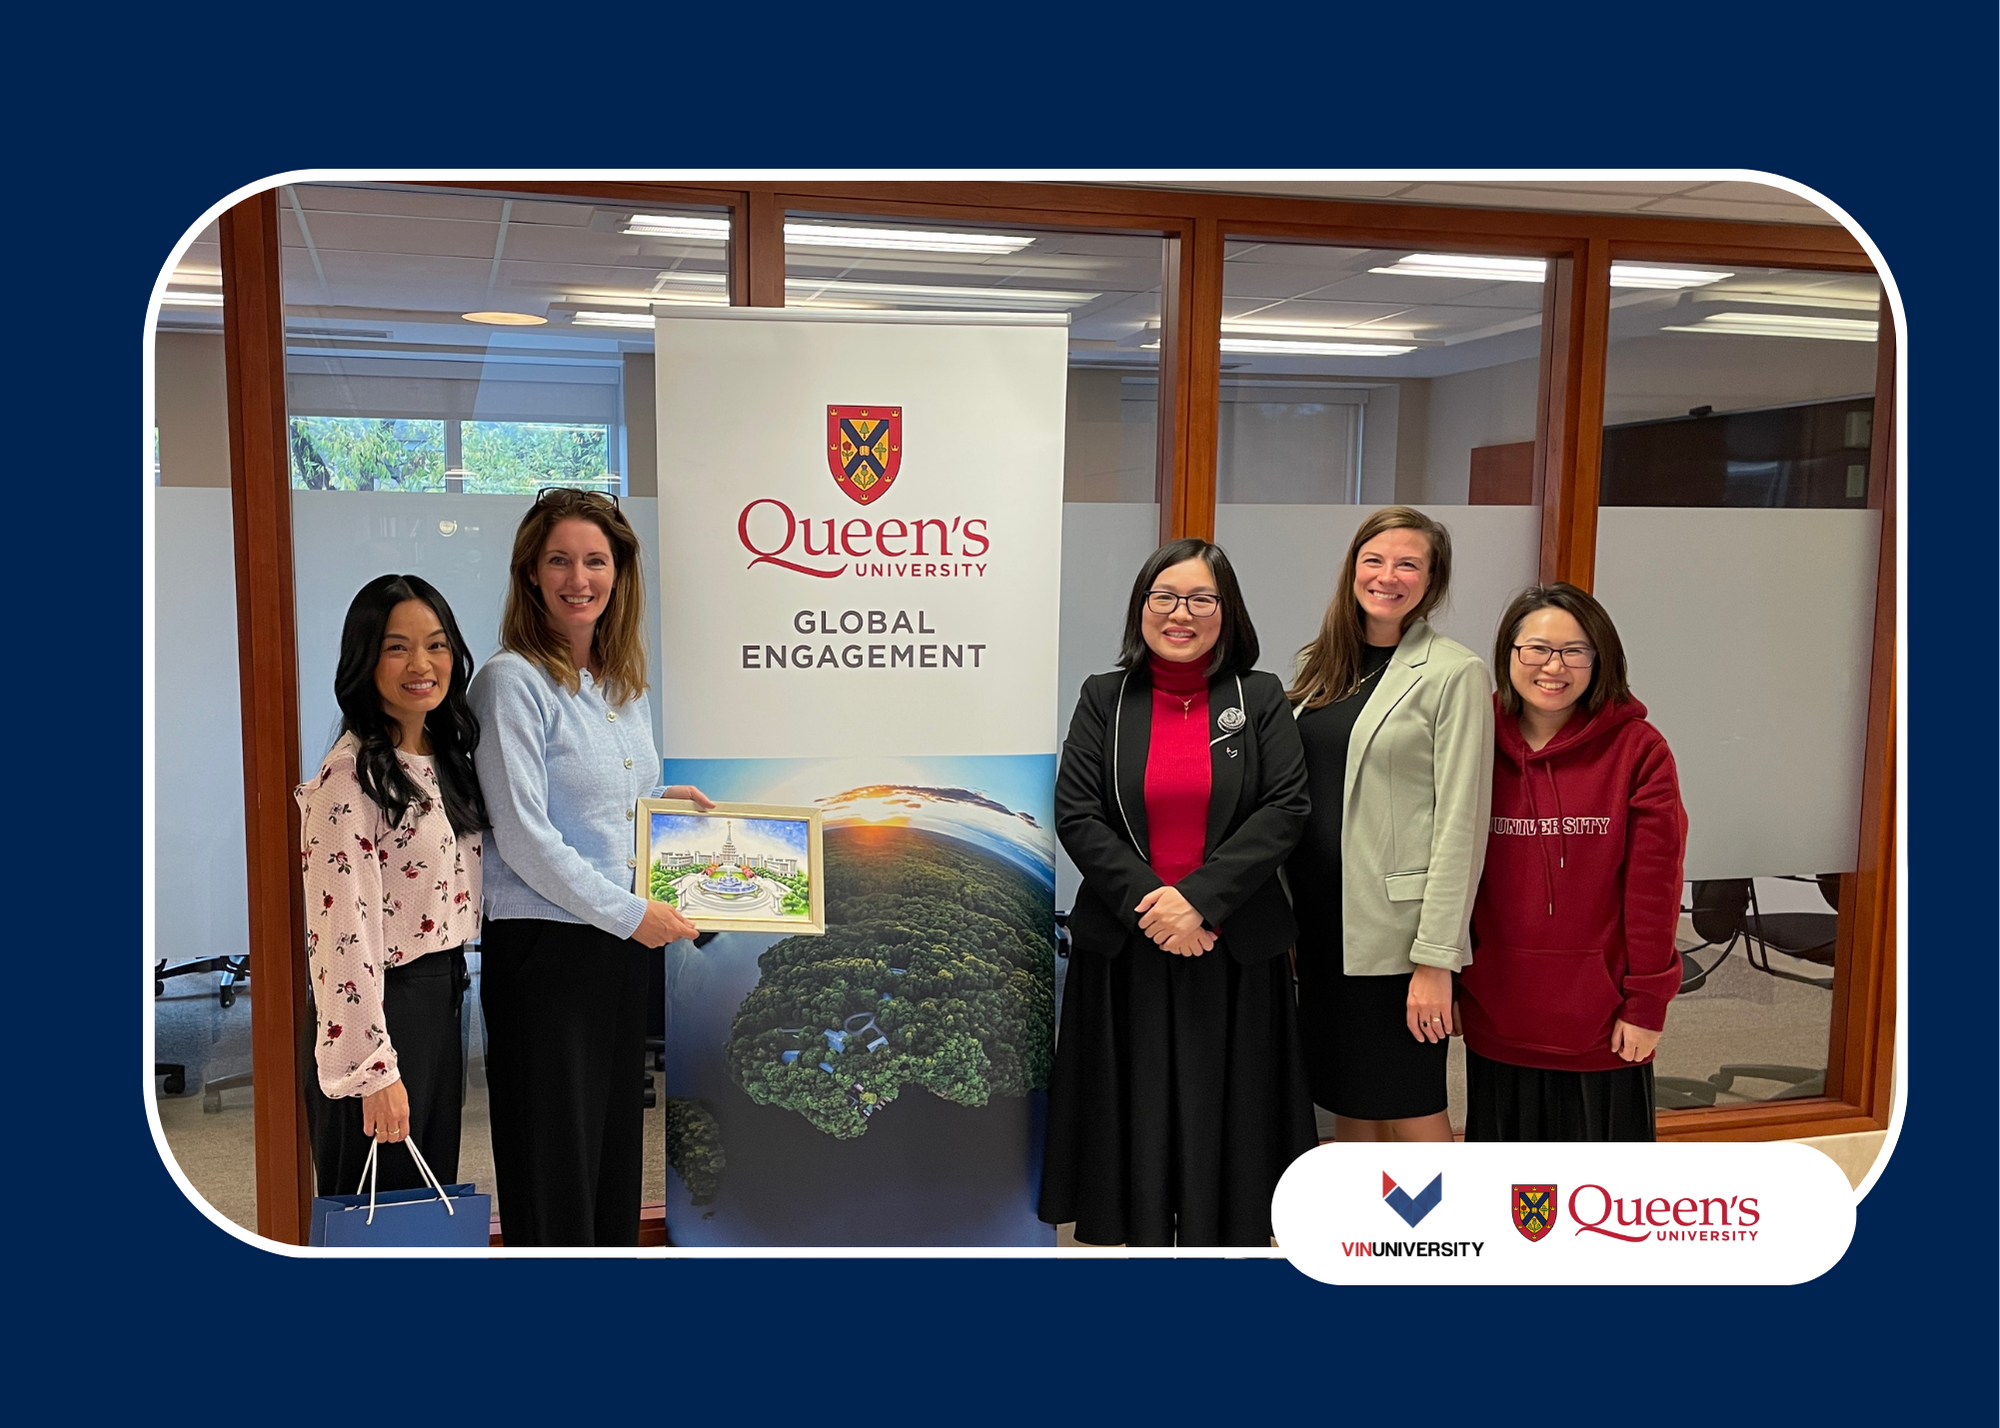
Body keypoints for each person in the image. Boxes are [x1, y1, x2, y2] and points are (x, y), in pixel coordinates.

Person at [1039, 538, 1316, 1247]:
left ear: (1228, 612)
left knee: (1231, 1125)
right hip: (1128, 949)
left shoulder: (1258, 698)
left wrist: (1199, 901)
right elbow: (1078, 811)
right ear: (1142, 608)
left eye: (1200, 598)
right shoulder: (1107, 698)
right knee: (1134, 1120)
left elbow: (1285, 807)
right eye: (1164, 597)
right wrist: (1158, 906)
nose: (1180, 613)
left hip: (1233, 950)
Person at [468, 487, 712, 1247]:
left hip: (612, 945)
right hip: (547, 949)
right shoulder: (509, 682)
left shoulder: (618, 686)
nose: (581, 577)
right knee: (553, 1161)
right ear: (531, 574)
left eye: (596, 560)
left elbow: (612, 812)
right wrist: (634, 913)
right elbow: (525, 838)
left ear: (621, 573)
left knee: (611, 1149)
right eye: (561, 560)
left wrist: (663, 804)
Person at [1285, 506, 1493, 1144]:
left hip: (1396, 939)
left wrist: (1437, 961)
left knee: (1409, 1099)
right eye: (1374, 560)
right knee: (1352, 1097)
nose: (1388, 576)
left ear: (1432, 581)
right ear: (1353, 570)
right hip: (1322, 928)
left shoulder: (1454, 673)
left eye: (1409, 563)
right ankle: (1363, 1239)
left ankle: (1438, 1240)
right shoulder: (1324, 665)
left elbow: (1462, 823)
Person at [1457, 582, 1687, 1140]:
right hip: (1499, 1013)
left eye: (1573, 651)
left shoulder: (1639, 749)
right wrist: (1453, 979)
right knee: (1507, 1204)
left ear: (1599, 659)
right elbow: (1447, 872)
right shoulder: (1470, 740)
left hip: (1604, 1028)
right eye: (1535, 648)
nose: (1552, 667)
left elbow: (1654, 890)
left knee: (1602, 1212)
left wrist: (1647, 1002)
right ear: (1508, 654)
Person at [296, 573, 488, 1196]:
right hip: (382, 1006)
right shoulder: (349, 778)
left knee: (426, 1200)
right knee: (378, 1208)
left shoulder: (445, 755)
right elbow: (339, 936)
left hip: (442, 995)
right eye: (397, 647)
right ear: (364, 658)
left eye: (436, 644)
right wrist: (373, 1070)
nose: (421, 663)